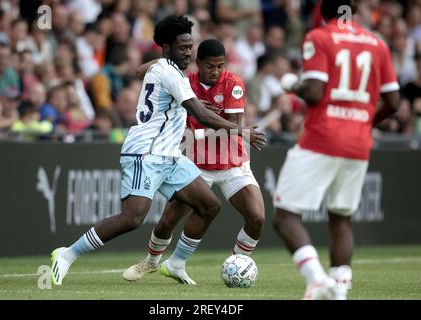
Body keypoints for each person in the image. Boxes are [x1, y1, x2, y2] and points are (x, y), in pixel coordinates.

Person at [50, 15, 266, 286]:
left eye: (190, 46)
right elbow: (201, 114)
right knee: (132, 219)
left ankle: (175, 264)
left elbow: (142, 71)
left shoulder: (166, 68)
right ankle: (67, 254)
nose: (188, 52)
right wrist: (242, 132)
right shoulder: (170, 73)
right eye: (182, 48)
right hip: (146, 152)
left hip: (170, 155)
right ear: (166, 47)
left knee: (209, 205)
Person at [272, 0, 400, 300]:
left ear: (320, 11)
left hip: (322, 138)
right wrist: (366, 121)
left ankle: (317, 280)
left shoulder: (318, 37)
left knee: (285, 216)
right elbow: (393, 102)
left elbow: (315, 92)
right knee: (340, 220)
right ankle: (339, 291)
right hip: (358, 143)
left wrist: (294, 85)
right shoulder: (376, 42)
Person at [122, 39, 265, 284]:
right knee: (169, 219)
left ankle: (237, 265)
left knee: (257, 218)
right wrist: (167, 61)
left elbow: (231, 130)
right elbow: (139, 72)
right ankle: (151, 262)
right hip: (195, 163)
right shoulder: (182, 81)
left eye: (220, 66)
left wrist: (200, 117)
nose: (216, 71)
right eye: (210, 66)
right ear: (197, 64)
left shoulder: (234, 84)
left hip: (232, 162)